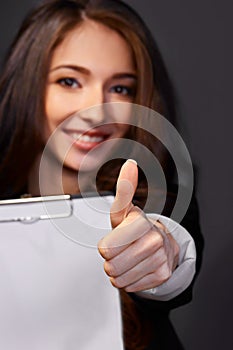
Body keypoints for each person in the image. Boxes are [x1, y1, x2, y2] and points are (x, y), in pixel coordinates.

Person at [0, 0, 203, 349]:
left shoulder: (155, 198)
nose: (96, 111)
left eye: (120, 88)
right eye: (69, 81)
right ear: (28, 87)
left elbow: (170, 246)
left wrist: (160, 252)